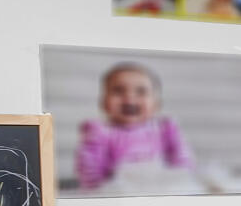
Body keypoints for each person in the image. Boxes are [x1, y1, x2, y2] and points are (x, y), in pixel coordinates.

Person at [76, 61, 196, 189]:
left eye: (141, 91)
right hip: (118, 192)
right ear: (104, 103)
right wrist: (97, 194)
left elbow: (183, 159)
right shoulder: (101, 133)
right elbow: (89, 168)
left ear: (156, 104)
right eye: (118, 91)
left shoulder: (164, 129)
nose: (129, 97)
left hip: (161, 188)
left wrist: (181, 182)